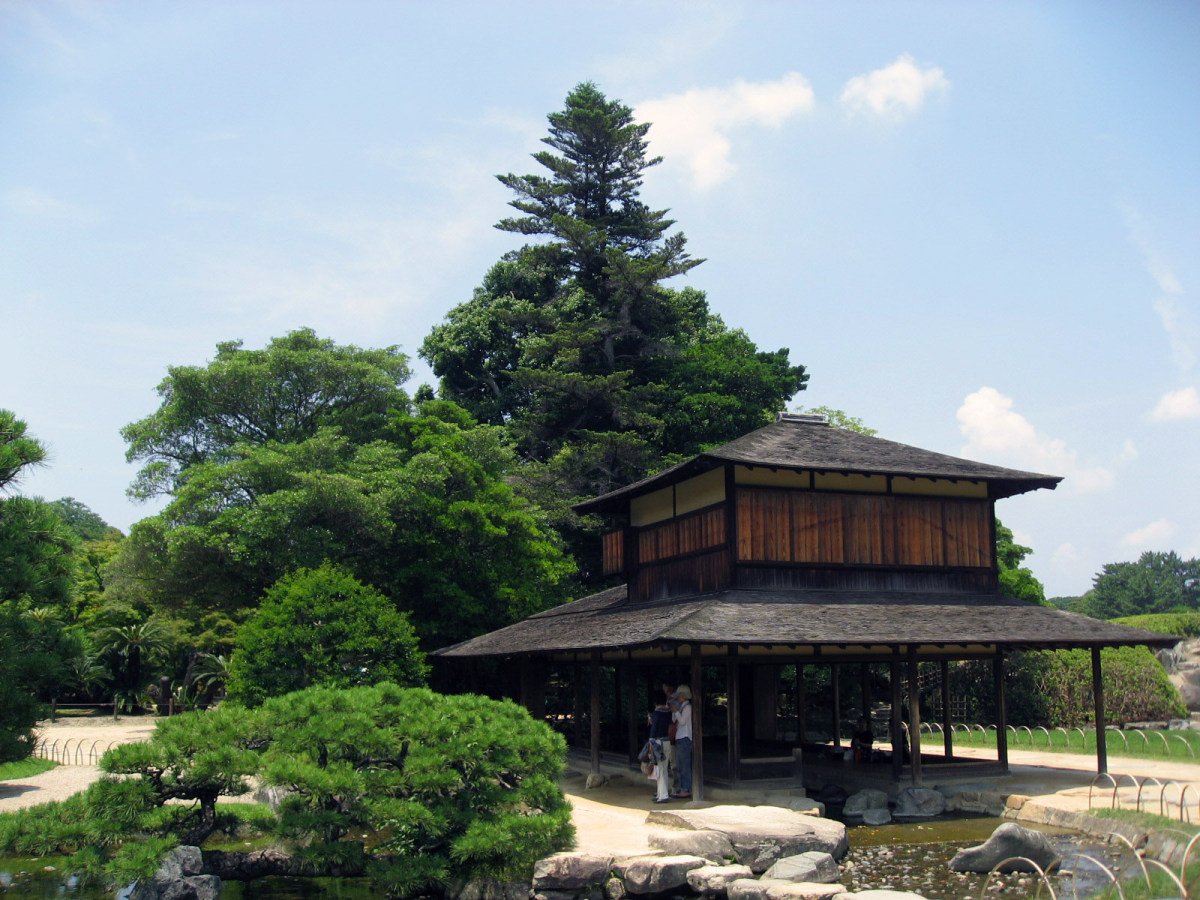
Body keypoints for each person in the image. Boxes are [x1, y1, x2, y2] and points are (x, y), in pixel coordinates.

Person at [647, 696, 673, 802]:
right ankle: (661, 794)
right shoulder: (668, 712)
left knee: (660, 769)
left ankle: (663, 796)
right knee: (664, 769)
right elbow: (670, 725)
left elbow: (654, 727)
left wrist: (651, 740)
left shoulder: (657, 713)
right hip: (667, 741)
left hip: (658, 742)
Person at [671, 685, 693, 799]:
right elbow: (674, 720)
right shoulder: (682, 707)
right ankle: (682, 787)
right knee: (680, 765)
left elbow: (683, 722)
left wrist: (676, 711)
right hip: (680, 737)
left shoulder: (688, 707)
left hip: (685, 737)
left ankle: (686, 789)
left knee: (684, 766)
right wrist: (674, 711)